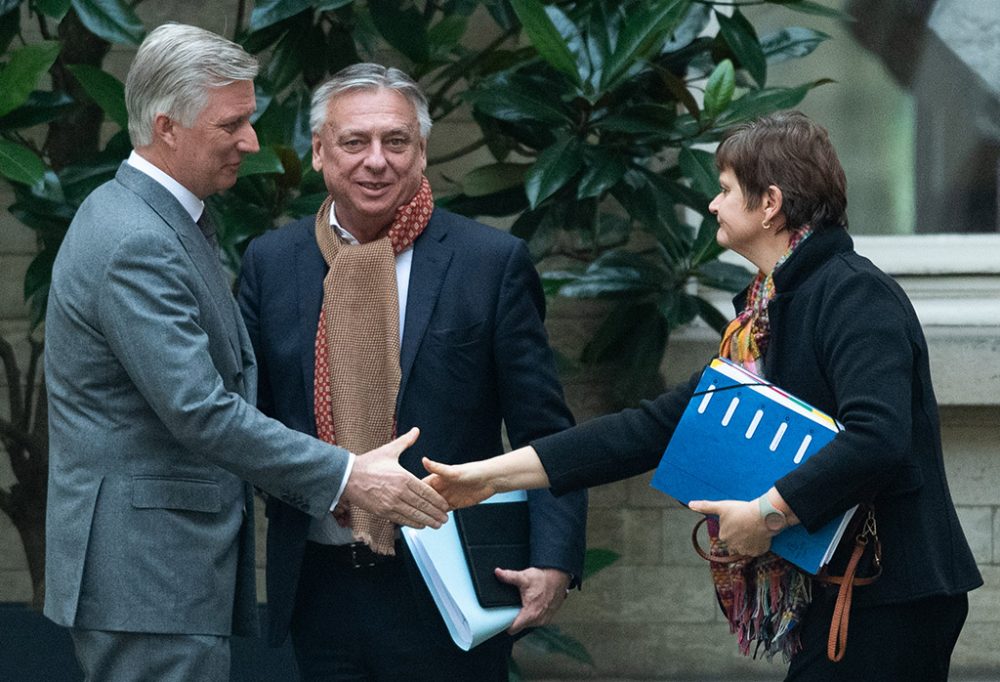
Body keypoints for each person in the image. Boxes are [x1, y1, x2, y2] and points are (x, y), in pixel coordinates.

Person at [424, 111, 982, 681]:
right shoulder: (766, 312)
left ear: (770, 203)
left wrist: (767, 515)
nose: (713, 205)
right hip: (844, 592)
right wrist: (490, 477)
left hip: (890, 594)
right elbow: (653, 427)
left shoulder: (853, 292)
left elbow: (878, 437)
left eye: (724, 190)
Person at [43, 25, 448, 682]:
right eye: (232, 124)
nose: (252, 143)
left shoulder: (157, 218)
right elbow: (201, 410)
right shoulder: (135, 240)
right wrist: (349, 476)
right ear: (169, 127)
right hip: (149, 578)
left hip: (162, 576)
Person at [236, 62, 587, 681]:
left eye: (396, 141)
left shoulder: (489, 262)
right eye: (354, 142)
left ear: (421, 152)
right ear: (319, 152)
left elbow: (545, 429)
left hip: (451, 582)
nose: (377, 160)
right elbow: (247, 422)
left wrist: (555, 559)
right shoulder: (271, 263)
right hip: (318, 587)